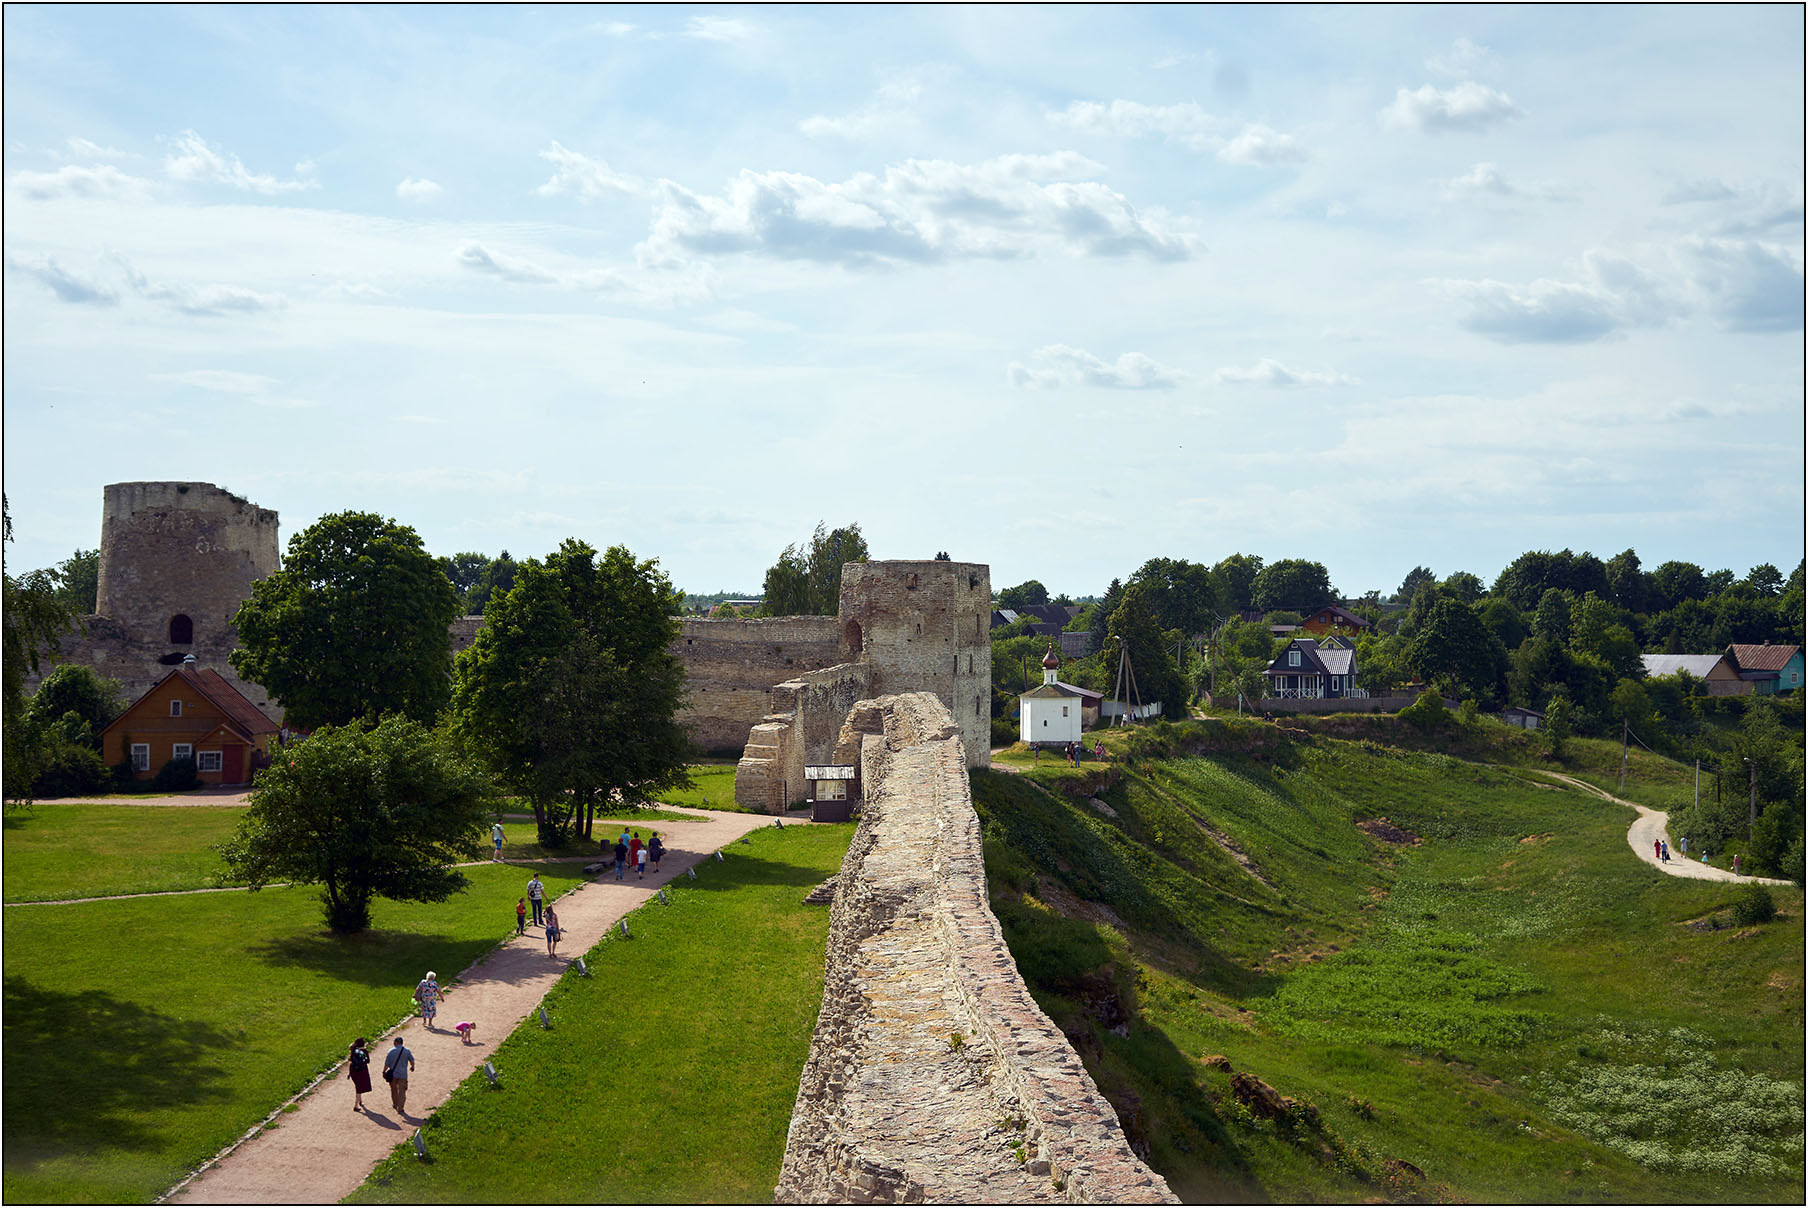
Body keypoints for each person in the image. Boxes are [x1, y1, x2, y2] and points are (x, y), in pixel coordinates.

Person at [383, 1036, 415, 1115]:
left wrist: (383, 1072)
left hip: (393, 1075)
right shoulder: (407, 1051)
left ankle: (395, 1104)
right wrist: (412, 1066)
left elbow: (386, 1064)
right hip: (403, 1075)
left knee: (394, 1090)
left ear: (396, 1042)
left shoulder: (390, 1051)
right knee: (402, 1092)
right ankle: (400, 1108)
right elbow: (412, 1060)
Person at [347, 1037, 372, 1112]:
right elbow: (367, 1061)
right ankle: (355, 1105)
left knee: (357, 1085)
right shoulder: (363, 1051)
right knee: (359, 1088)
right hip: (361, 1070)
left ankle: (360, 1100)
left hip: (353, 1070)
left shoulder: (354, 1050)